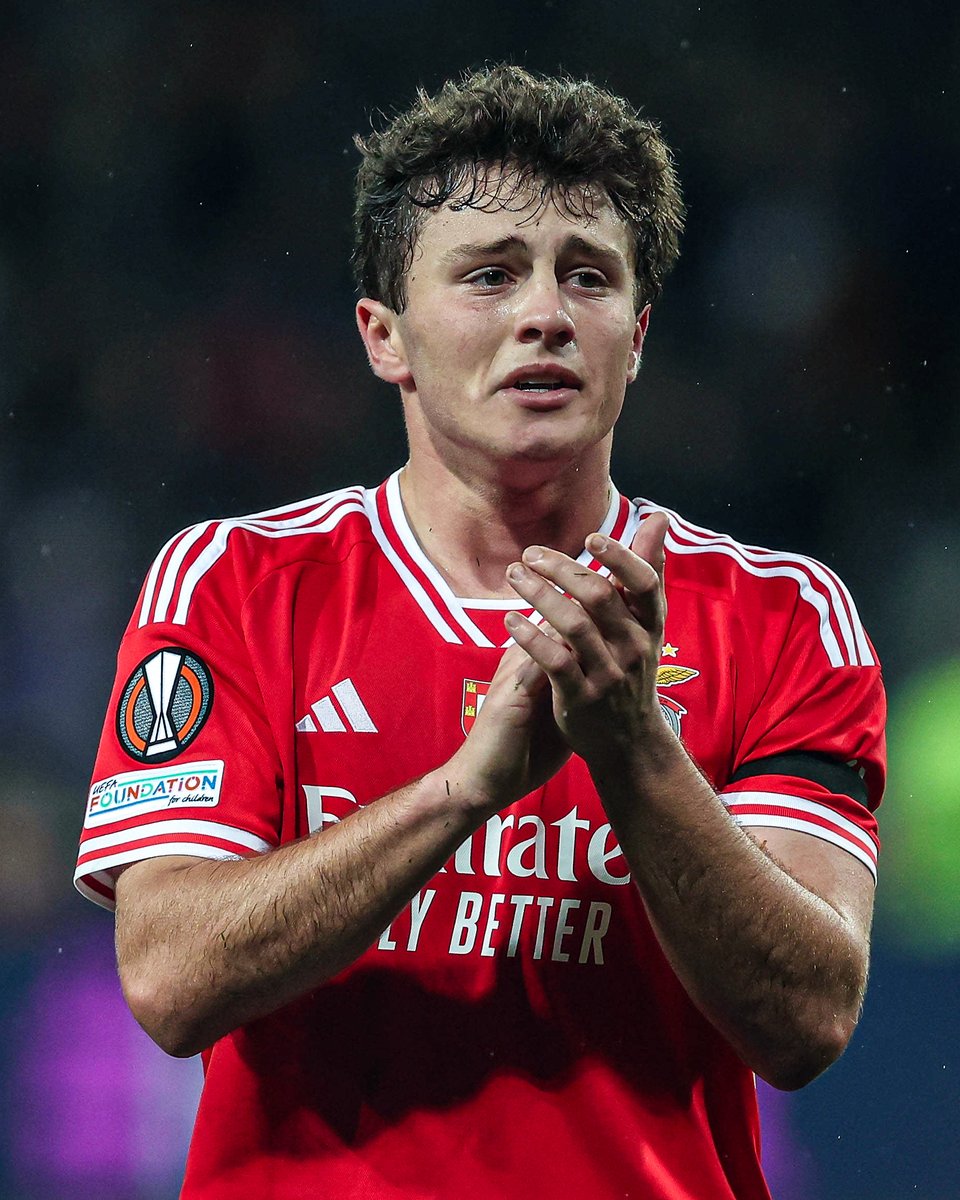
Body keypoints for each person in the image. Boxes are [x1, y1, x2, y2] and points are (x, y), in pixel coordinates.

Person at [75, 65, 885, 1199]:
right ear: (385, 338)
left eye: (587, 277)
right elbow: (168, 979)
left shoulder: (784, 614)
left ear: (637, 336)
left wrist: (634, 749)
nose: (546, 313)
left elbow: (807, 1023)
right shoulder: (238, 585)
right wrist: (463, 790)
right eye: (492, 274)